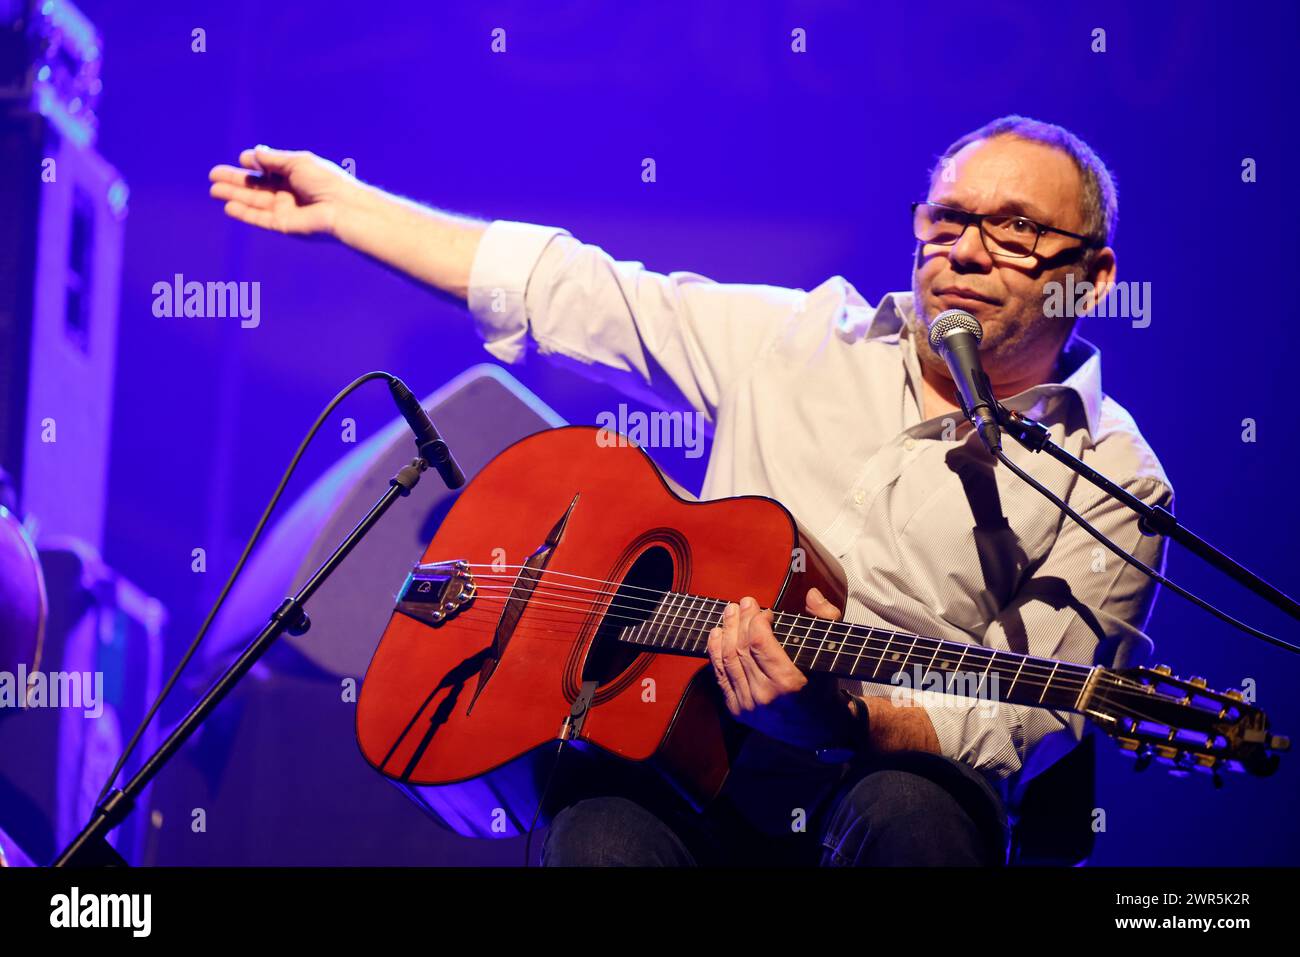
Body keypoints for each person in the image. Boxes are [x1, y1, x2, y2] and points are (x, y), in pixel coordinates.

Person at [208, 114, 1172, 866]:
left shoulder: (1118, 475)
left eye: (1012, 229)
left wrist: (850, 719)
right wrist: (347, 209)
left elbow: (1030, 715)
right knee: (595, 828)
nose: (963, 250)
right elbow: (570, 291)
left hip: (889, 781)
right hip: (688, 749)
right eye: (947, 218)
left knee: (914, 816)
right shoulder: (795, 338)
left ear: (1091, 276)